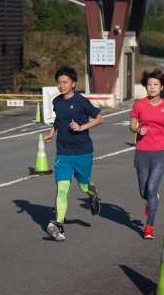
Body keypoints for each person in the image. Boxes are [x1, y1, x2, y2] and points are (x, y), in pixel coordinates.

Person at [44, 65, 104, 241]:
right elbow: (58, 118)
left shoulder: (81, 101)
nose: (61, 85)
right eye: (59, 82)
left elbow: (100, 118)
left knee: (84, 187)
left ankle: (93, 197)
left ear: (73, 84)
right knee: (62, 188)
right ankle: (58, 225)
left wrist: (81, 127)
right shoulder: (57, 101)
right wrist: (51, 132)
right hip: (63, 153)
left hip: (82, 152)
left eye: (65, 82)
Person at [129, 69, 164, 239]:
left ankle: (149, 226)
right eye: (149, 84)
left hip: (160, 151)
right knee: (144, 191)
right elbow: (132, 125)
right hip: (142, 151)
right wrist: (138, 129)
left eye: (155, 84)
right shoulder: (139, 105)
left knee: (151, 187)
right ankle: (151, 199)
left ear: (162, 87)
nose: (152, 87)